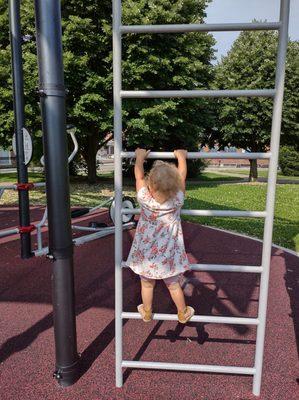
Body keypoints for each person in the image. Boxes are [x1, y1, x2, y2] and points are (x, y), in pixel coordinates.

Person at [126, 148, 194, 324]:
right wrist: (181, 158)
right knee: (173, 284)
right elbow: (182, 177)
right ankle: (183, 312)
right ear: (175, 186)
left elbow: (138, 177)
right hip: (168, 255)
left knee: (147, 284)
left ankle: (147, 311)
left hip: (146, 253)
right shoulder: (177, 199)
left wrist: (139, 158)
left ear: (150, 185)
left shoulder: (144, 199)